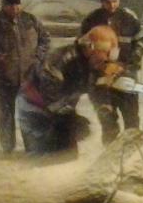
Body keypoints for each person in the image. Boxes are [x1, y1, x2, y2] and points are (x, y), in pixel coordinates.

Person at [15, 26, 112, 158]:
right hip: (34, 109)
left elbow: (96, 87)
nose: (106, 58)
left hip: (61, 111)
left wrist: (103, 105)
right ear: (90, 48)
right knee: (42, 158)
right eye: (104, 52)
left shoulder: (93, 64)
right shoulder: (60, 59)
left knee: (68, 156)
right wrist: (69, 117)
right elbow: (49, 92)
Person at [0, 0, 50, 153]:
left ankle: (31, 147)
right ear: (3, 5)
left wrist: (38, 57)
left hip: (28, 76)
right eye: (10, 6)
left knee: (29, 112)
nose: (15, 9)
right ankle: (8, 146)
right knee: (6, 112)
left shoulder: (31, 20)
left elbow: (45, 39)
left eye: (17, 5)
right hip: (3, 76)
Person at [79, 0, 143, 145]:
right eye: (108, 2)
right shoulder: (91, 20)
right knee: (108, 123)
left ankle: (134, 153)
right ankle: (109, 155)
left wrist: (134, 59)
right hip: (102, 80)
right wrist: (96, 63)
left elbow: (141, 41)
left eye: (115, 1)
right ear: (102, 2)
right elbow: (82, 46)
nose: (112, 5)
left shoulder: (129, 19)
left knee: (131, 120)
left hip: (126, 74)